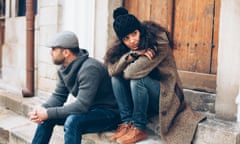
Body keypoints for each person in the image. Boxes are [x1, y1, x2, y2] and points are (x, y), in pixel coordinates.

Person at [104, 7, 206, 144]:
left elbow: (130, 73)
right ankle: (127, 123)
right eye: (126, 38)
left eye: (134, 34)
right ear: (122, 41)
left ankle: (139, 127)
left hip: (166, 95)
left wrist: (130, 58)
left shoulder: (158, 42)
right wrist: (131, 55)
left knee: (137, 80)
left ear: (139, 30)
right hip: (143, 96)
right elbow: (112, 71)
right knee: (116, 78)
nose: (132, 40)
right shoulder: (128, 48)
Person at [28, 31, 120, 144]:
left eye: (54, 49)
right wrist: (42, 109)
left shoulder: (90, 69)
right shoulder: (64, 69)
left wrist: (48, 113)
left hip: (108, 113)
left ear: (66, 52)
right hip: (89, 110)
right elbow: (59, 96)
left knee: (73, 121)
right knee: (47, 118)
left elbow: (81, 106)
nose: (50, 53)